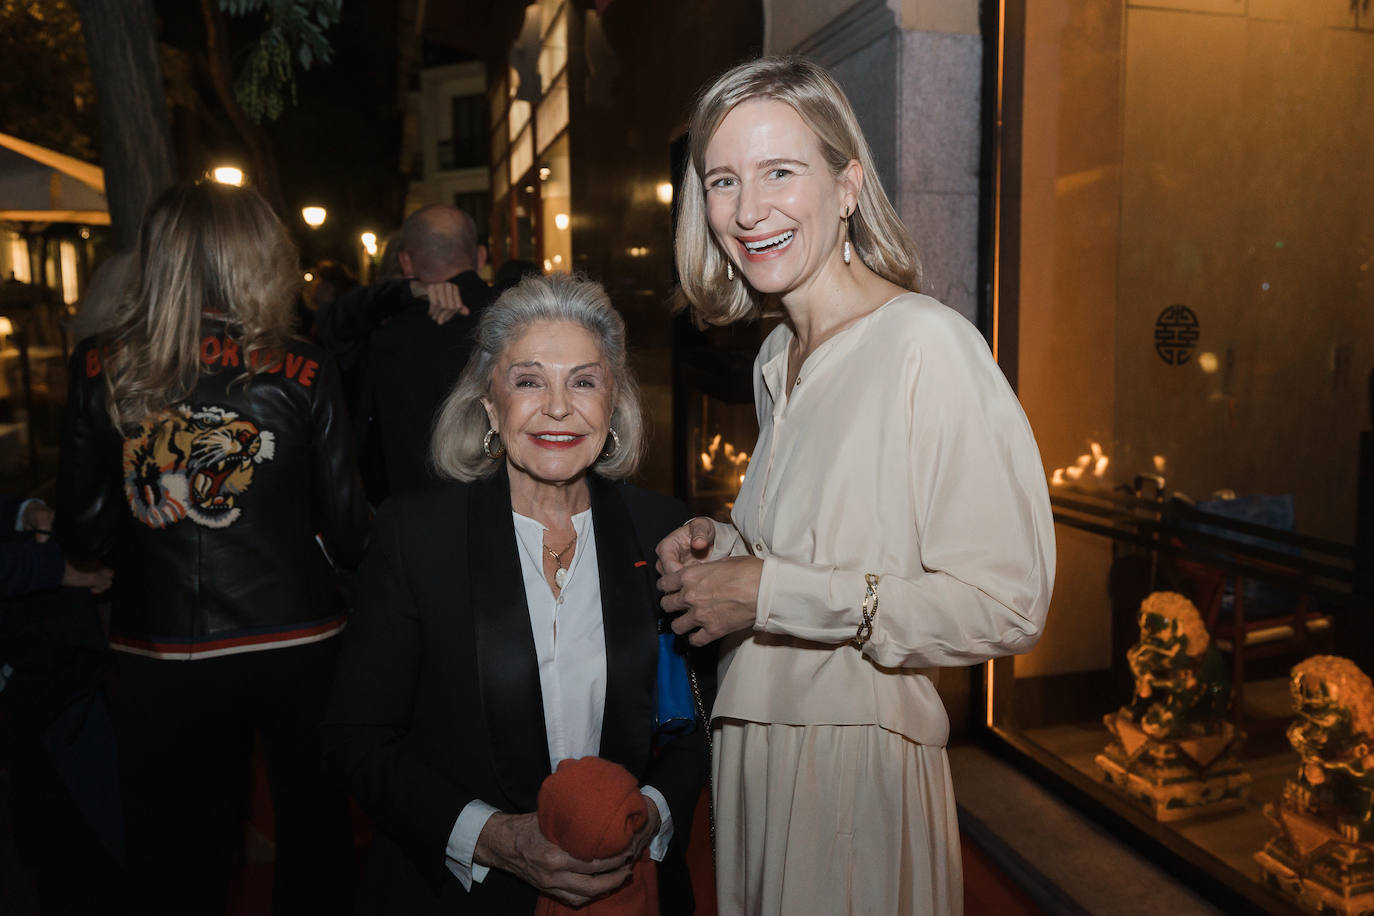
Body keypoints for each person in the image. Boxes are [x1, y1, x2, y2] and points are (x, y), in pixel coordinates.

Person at [657, 56, 1056, 915]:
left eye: (779, 172)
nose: (748, 209)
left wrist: (773, 594)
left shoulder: (927, 346)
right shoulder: (776, 356)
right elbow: (824, 543)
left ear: (847, 186)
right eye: (723, 180)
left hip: (853, 768)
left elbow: (1008, 605)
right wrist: (724, 552)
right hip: (754, 748)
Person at [322, 273, 708, 914]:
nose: (558, 407)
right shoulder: (416, 537)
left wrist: (650, 815)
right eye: (529, 380)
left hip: (628, 888)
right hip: (460, 894)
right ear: (490, 405)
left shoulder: (662, 530)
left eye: (583, 381)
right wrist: (492, 838)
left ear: (613, 404)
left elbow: (695, 723)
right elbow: (357, 739)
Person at [56, 181, 370, 914]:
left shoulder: (103, 366)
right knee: (314, 838)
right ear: (260, 257)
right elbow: (351, 530)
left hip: (158, 648)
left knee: (175, 853)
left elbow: (86, 533)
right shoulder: (304, 367)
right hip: (297, 640)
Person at [317, 204, 496, 501]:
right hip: (504, 509)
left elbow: (330, 324)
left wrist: (404, 292)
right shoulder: (517, 318)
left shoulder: (382, 336)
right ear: (480, 257)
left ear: (406, 263)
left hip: (409, 514)